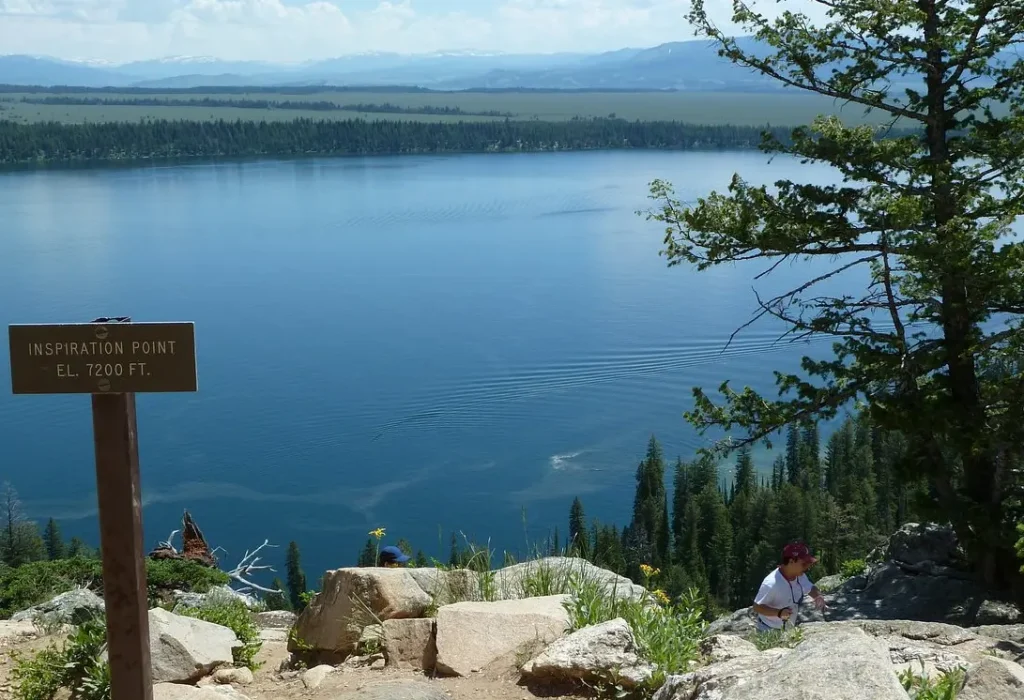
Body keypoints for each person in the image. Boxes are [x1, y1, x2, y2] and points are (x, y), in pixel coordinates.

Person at [752, 542, 826, 632]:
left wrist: (818, 596)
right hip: (768, 630)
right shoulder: (771, 583)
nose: (807, 567)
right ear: (791, 561)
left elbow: (810, 587)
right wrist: (778, 613)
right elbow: (757, 607)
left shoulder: (800, 575)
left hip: (788, 627)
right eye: (804, 563)